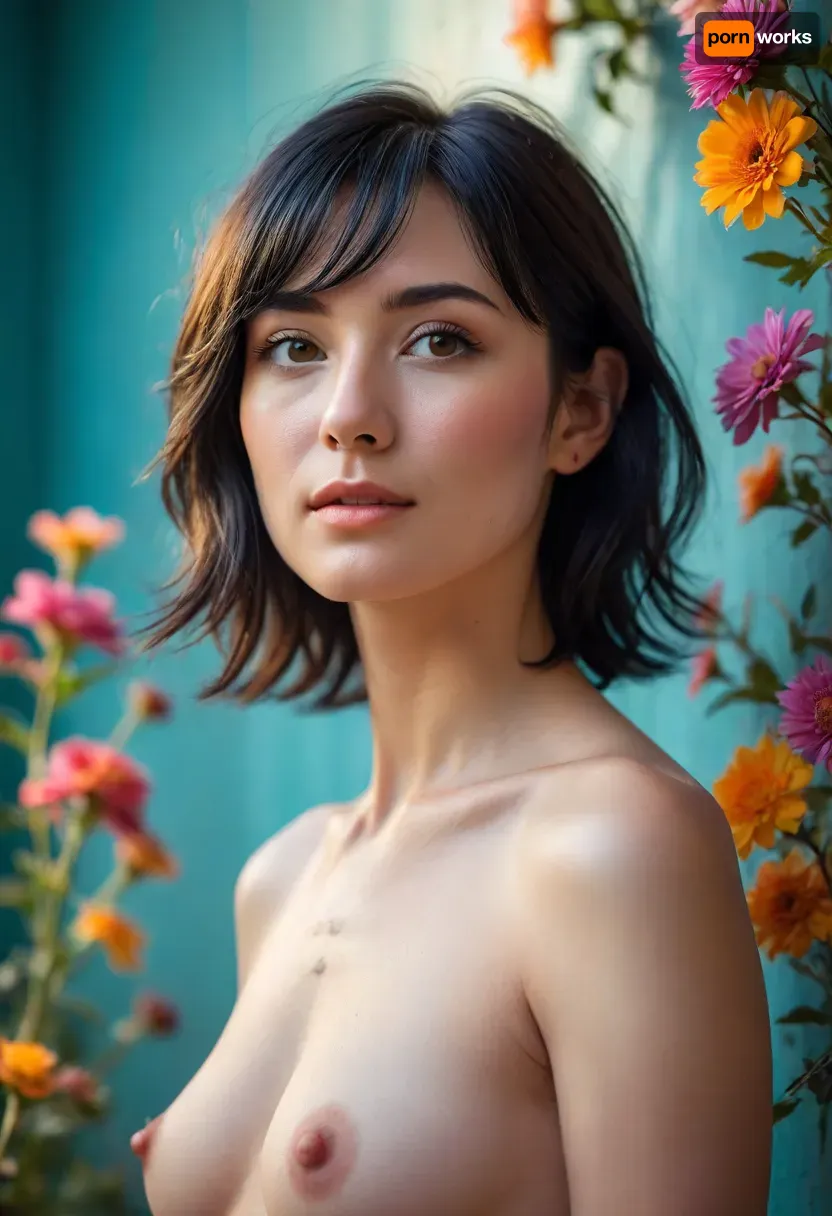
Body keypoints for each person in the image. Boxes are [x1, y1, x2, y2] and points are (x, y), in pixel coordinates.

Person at [132, 81, 773, 1215]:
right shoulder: (277, 880)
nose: (349, 413)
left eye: (438, 338)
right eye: (292, 344)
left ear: (580, 411)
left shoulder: (614, 849)